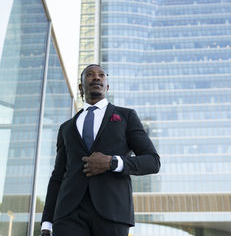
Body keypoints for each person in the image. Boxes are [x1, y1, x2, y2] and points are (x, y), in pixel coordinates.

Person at [40, 64, 160, 236]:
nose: (96, 77)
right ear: (81, 86)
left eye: (101, 75)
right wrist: (47, 223)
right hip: (67, 214)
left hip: (112, 212)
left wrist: (112, 162)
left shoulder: (126, 116)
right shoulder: (66, 128)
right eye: (90, 74)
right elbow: (58, 176)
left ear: (107, 86)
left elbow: (153, 161)